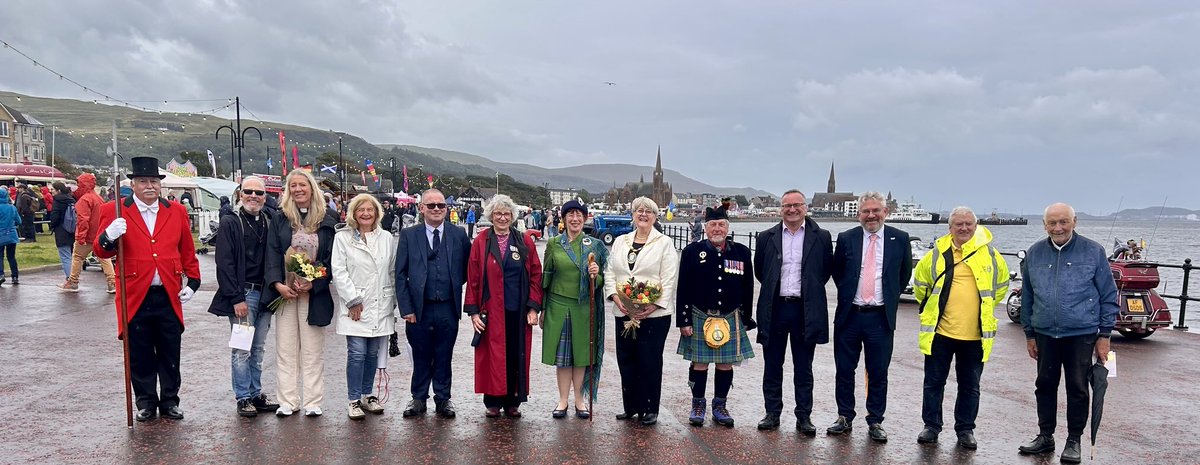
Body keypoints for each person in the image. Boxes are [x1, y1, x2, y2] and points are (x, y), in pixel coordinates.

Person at [93, 156, 202, 422]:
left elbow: (186, 249)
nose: (150, 186)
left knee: (169, 350)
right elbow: (99, 249)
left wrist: (194, 281)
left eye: (154, 181)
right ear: (133, 183)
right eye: (143, 181)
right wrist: (109, 235)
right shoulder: (114, 211)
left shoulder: (176, 211)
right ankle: (145, 402)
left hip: (167, 291)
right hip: (134, 292)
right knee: (139, 352)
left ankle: (169, 401)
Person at [1017, 202, 1118, 464]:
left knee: (1077, 388)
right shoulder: (1035, 253)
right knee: (1045, 385)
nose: (1058, 227)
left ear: (1074, 222)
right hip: (1045, 333)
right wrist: (1029, 333)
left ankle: (1074, 439)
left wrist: (1104, 335)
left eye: (1063, 222)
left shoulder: (1094, 251)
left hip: (1081, 334)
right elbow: (1027, 296)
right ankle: (1045, 435)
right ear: (1045, 225)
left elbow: (1108, 295)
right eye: (1052, 223)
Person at [912, 207, 1009, 450]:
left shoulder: (991, 255)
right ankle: (931, 426)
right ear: (950, 228)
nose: (964, 228)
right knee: (933, 383)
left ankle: (965, 430)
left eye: (968, 224)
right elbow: (920, 286)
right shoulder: (936, 255)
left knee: (970, 386)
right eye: (958, 225)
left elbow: (1000, 287)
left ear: (975, 226)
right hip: (940, 332)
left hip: (975, 335)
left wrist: (982, 309)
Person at [828, 191, 912, 442]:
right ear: (859, 214)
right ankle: (844, 416)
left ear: (885, 212)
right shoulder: (846, 238)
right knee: (844, 369)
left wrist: (886, 296)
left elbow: (903, 275)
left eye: (876, 210)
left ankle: (875, 420)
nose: (871, 215)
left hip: (880, 317)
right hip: (850, 316)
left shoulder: (900, 238)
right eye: (866, 211)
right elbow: (838, 272)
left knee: (877, 372)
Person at [753, 190, 834, 434]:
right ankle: (772, 413)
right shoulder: (766, 237)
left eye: (797, 205)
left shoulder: (821, 236)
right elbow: (761, 271)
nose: (792, 210)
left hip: (804, 310)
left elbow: (825, 271)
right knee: (772, 365)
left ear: (805, 207)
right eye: (787, 205)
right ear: (781, 209)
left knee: (803, 366)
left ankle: (804, 416)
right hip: (775, 308)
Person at [263, 169, 340, 417]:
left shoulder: (328, 218)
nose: (298, 189)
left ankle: (313, 401)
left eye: (302, 185)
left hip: (313, 293)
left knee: (312, 349)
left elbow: (330, 258)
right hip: (285, 293)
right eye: (293, 185)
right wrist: (278, 284)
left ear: (311, 188)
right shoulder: (280, 217)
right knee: (285, 348)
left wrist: (313, 281)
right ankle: (288, 400)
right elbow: (273, 252)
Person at [206, 176, 282, 417]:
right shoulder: (230, 222)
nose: (253, 196)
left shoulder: (268, 220)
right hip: (244, 293)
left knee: (258, 348)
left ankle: (255, 392)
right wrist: (235, 297)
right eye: (248, 191)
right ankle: (243, 396)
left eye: (259, 193)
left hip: (265, 293)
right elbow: (224, 263)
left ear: (265, 197)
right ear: (240, 194)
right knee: (242, 348)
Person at [464, 194, 543, 417]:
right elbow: (474, 277)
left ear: (512, 216)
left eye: (506, 213)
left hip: (517, 310)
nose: (502, 217)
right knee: (492, 355)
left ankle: (512, 401)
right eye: (497, 213)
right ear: (491, 215)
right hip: (490, 310)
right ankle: (492, 401)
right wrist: (473, 312)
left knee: (515, 354)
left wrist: (533, 307)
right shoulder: (481, 241)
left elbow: (536, 274)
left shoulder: (524, 241)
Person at [395, 188, 471, 419]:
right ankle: (418, 398)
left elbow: (467, 268)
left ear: (446, 209)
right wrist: (406, 308)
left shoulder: (458, 235)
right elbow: (400, 274)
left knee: (444, 354)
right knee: (420, 354)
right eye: (431, 206)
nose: (437, 209)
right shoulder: (409, 235)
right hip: (419, 309)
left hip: (448, 306)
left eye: (441, 205)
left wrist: (453, 283)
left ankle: (443, 398)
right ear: (421, 209)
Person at [677, 205, 756, 427]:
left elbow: (748, 287)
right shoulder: (692, 252)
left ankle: (720, 405)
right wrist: (684, 321)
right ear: (705, 227)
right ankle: (698, 404)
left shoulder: (741, 252)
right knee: (699, 363)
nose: (717, 228)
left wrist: (746, 317)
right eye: (713, 224)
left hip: (730, 316)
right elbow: (683, 288)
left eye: (721, 224)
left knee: (725, 364)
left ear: (728, 227)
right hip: (700, 315)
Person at [603, 196, 679, 426]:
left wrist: (654, 304)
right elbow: (610, 272)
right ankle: (631, 406)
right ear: (633, 215)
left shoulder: (664, 243)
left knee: (649, 359)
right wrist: (616, 298)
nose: (643, 214)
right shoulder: (620, 241)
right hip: (624, 310)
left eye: (648, 211)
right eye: (639, 211)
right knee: (626, 359)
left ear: (655, 217)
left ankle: (649, 407)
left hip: (654, 315)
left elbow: (669, 278)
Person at [331, 194, 397, 420]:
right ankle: (353, 399)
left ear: (377, 213)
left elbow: (392, 271)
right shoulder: (342, 238)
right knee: (357, 352)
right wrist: (353, 300)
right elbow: (339, 271)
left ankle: (368, 395)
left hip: (380, 303)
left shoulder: (387, 238)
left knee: (372, 353)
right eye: (361, 210)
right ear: (354, 213)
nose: (366, 214)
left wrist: (393, 301)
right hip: (356, 305)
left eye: (370, 210)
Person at [540, 200, 607, 419]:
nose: (575, 219)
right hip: (558, 305)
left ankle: (579, 400)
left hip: (583, 306)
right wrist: (542, 308)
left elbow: (601, 282)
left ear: (586, 218)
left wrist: (596, 275)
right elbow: (546, 277)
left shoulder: (595, 245)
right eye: (571, 215)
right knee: (563, 357)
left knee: (580, 356)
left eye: (579, 215)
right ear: (564, 219)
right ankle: (562, 400)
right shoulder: (554, 243)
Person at [59, 173, 117, 294]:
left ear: (83, 184)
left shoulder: (84, 200)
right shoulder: (98, 198)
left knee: (78, 257)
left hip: (87, 236)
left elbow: (83, 220)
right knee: (104, 258)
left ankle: (73, 282)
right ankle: (112, 283)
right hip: (98, 234)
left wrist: (81, 237)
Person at [48, 182, 77, 279]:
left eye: (53, 189)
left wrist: (52, 225)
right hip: (72, 230)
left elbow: (55, 217)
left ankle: (70, 278)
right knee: (71, 255)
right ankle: (74, 276)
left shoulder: (57, 201)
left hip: (61, 230)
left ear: (58, 190)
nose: (51, 191)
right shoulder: (71, 200)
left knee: (65, 256)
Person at [0, 191, 19, 285]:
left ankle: (1, 275)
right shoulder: (12, 207)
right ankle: (15, 276)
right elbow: (18, 220)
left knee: (0, 256)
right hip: (11, 234)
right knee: (11, 256)